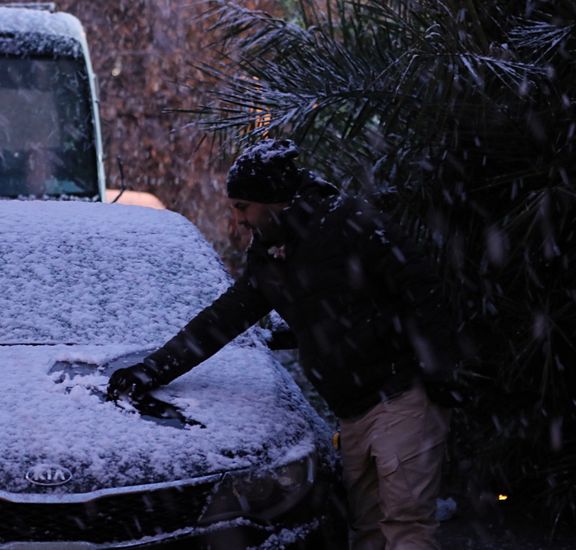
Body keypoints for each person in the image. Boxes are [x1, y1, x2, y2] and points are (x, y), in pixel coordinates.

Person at [108, 138, 462, 550]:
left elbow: (422, 290)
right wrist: (152, 370)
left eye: (243, 206)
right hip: (352, 409)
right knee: (366, 529)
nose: (239, 220)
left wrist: (438, 373)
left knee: (405, 525)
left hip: (403, 395)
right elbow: (223, 319)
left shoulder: (350, 225)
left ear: (275, 200)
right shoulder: (272, 255)